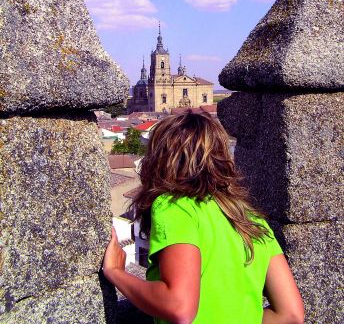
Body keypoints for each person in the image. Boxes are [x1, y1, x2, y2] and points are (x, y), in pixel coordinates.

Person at [103, 110, 304, 324]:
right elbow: (291, 314)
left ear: (160, 158)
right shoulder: (249, 219)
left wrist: (116, 273)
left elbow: (179, 307)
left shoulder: (174, 207)